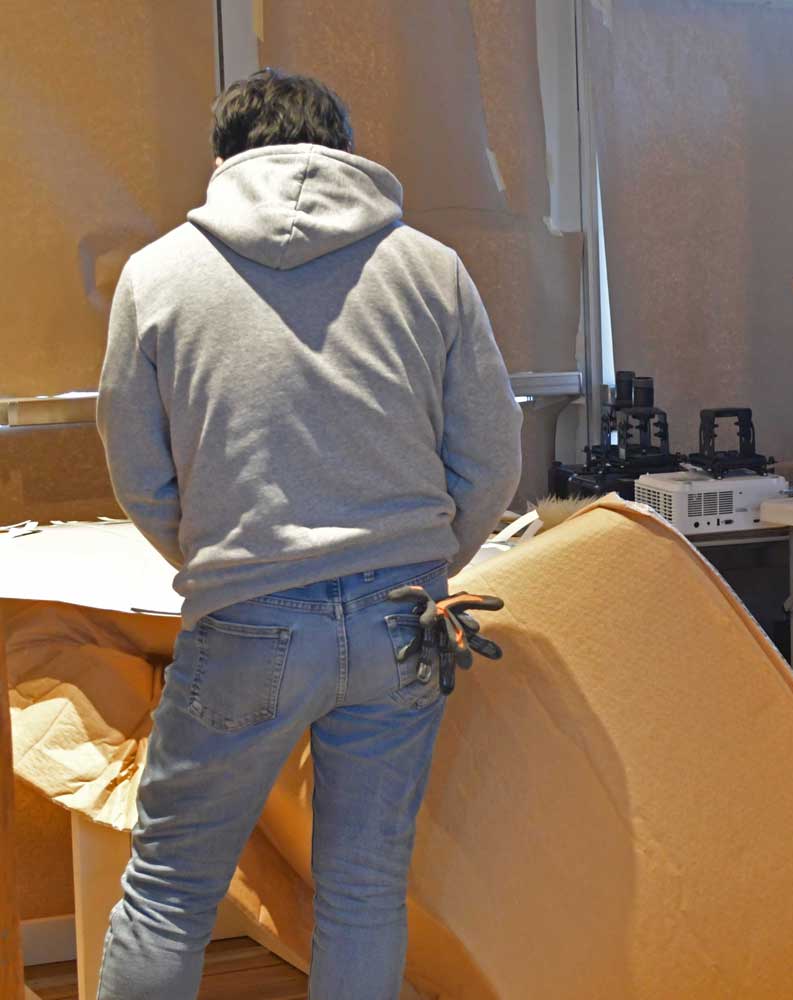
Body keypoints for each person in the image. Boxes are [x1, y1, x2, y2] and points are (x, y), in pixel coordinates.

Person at [95, 69, 522, 997]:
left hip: (247, 621)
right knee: (364, 892)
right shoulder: (428, 268)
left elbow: (140, 472)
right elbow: (489, 458)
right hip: (403, 620)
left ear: (221, 160)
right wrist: (424, 562)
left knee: (171, 891)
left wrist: (221, 561)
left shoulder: (157, 273)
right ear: (344, 151)